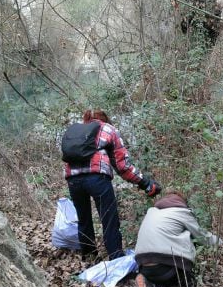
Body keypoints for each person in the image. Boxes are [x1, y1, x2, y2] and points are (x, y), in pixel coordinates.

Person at [63, 109, 161, 261]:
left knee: (83, 219)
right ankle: (116, 258)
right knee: (109, 219)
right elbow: (123, 166)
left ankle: (90, 258)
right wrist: (145, 183)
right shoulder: (108, 129)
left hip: (73, 180)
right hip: (97, 178)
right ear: (105, 118)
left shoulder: (76, 132)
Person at [134, 191, 222, 287]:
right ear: (181, 202)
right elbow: (202, 237)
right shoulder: (182, 212)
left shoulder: (151, 212)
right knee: (189, 234)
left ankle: (148, 282)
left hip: (143, 265)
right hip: (168, 267)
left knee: (161, 280)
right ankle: (187, 281)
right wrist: (220, 242)